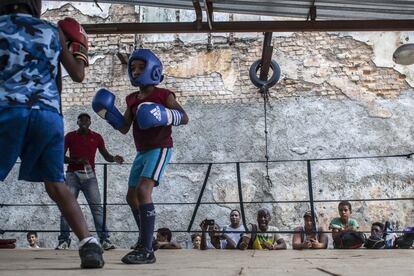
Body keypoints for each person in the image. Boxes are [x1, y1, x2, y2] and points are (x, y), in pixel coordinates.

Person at [0, 0, 104, 268]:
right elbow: (76, 76)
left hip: (8, 109)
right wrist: (79, 49)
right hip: (47, 115)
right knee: (56, 184)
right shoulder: (51, 31)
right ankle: (89, 245)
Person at [92, 48, 188, 264]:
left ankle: (146, 249)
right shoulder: (132, 99)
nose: (135, 71)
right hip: (141, 152)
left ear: (153, 70)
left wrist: (163, 114)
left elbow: (184, 117)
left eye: (140, 67)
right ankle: (149, 240)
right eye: (132, 68)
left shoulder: (164, 94)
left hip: (160, 148)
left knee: (144, 191)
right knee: (131, 196)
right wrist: (108, 113)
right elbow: (125, 127)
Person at [56, 113, 123, 250]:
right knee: (66, 207)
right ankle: (64, 240)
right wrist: (75, 160)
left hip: (90, 177)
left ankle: (105, 240)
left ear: (91, 122)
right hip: (72, 176)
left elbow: (106, 155)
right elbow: (60, 156)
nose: (84, 122)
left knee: (97, 207)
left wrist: (114, 159)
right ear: (77, 122)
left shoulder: (97, 137)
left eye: (87, 120)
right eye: (82, 120)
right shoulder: (70, 136)